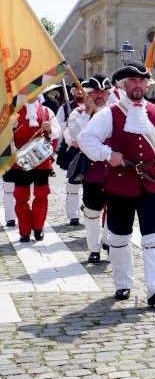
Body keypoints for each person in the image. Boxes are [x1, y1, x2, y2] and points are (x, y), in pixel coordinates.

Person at [78, 61, 155, 306]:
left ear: (147, 84)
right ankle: (123, 283)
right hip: (120, 184)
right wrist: (106, 154)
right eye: (132, 81)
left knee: (154, 236)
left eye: (141, 81)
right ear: (124, 85)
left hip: (152, 183)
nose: (137, 85)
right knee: (119, 236)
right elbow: (85, 138)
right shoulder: (109, 114)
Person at [65, 74, 112, 263]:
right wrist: (87, 114)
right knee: (92, 211)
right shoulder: (78, 113)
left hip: (114, 170)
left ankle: (109, 240)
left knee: (115, 208)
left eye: (103, 92)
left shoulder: (116, 112)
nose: (99, 95)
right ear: (88, 94)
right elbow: (73, 138)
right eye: (95, 92)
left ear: (108, 94)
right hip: (92, 171)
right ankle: (94, 248)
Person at [12, 98, 61, 242]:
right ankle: (24, 231)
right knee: (20, 196)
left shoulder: (47, 111)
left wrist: (50, 129)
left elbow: (58, 132)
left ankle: (38, 228)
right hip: (20, 160)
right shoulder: (13, 113)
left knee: (41, 194)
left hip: (41, 159)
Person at [58, 84, 88, 226]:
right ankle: (73, 215)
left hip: (93, 152)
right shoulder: (66, 108)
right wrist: (67, 123)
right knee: (73, 183)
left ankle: (89, 208)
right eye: (76, 89)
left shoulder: (100, 110)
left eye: (81, 89)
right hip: (76, 150)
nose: (79, 92)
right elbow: (59, 128)